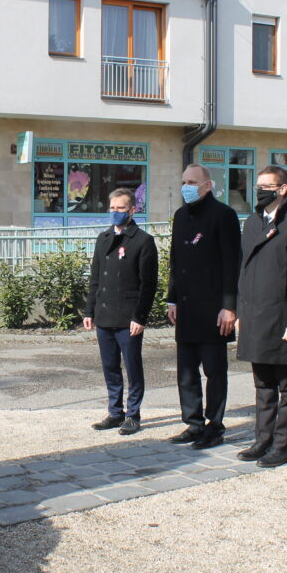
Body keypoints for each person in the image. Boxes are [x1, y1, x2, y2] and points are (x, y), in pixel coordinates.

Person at [235, 166, 287, 468]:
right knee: (262, 383)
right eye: (257, 186)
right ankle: (263, 439)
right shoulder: (252, 222)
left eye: (266, 186)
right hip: (255, 315)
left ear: (283, 189)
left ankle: (283, 445)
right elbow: (244, 270)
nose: (260, 191)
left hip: (284, 317)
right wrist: (240, 311)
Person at [167, 164, 241, 449]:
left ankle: (214, 425)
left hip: (214, 310)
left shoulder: (223, 215)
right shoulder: (180, 216)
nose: (186, 186)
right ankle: (193, 423)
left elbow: (232, 264)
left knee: (214, 371)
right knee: (186, 372)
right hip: (186, 308)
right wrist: (172, 299)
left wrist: (229, 306)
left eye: (192, 182)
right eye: (183, 181)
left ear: (207, 185)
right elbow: (176, 262)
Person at [83, 188, 159, 435]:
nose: (115, 212)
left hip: (129, 318)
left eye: (121, 208)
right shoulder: (103, 238)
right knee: (110, 366)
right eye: (112, 208)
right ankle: (115, 412)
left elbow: (148, 285)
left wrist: (140, 316)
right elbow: (95, 278)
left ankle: (133, 415)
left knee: (133, 367)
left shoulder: (143, 241)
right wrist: (89, 311)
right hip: (104, 314)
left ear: (132, 210)